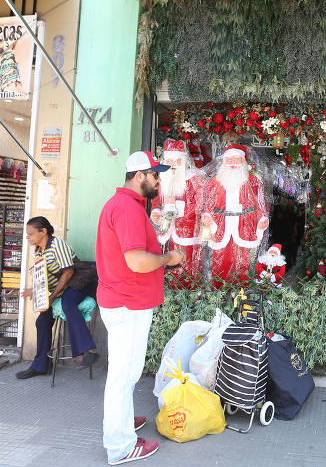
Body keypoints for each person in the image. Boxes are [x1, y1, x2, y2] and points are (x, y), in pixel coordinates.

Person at [96, 151, 185, 465]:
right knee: (123, 374)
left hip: (125, 301)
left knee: (128, 370)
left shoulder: (125, 206)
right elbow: (136, 261)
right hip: (128, 303)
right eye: (155, 175)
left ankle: (121, 419)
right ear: (139, 176)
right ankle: (120, 445)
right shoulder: (128, 209)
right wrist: (168, 259)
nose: (158, 180)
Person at [16, 216, 98, 379]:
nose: (28, 237)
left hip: (78, 282)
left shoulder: (57, 245)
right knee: (42, 321)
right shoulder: (38, 250)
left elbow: (68, 272)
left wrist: (51, 298)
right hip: (61, 287)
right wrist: (35, 290)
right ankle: (41, 366)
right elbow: (44, 276)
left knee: (68, 304)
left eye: (30, 234)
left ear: (43, 231)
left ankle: (90, 351)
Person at [200, 144, 269, 288]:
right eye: (229, 159)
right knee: (220, 262)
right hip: (220, 227)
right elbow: (208, 204)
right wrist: (207, 216)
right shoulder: (214, 182)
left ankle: (242, 295)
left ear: (243, 161)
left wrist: (262, 219)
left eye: (237, 159)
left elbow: (261, 204)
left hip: (245, 226)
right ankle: (219, 295)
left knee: (243, 263)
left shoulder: (254, 181)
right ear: (224, 161)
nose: (233, 163)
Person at [149, 139, 206, 285]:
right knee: (167, 265)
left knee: (188, 263)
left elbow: (199, 204)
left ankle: (190, 292)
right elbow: (156, 200)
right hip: (166, 230)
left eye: (177, 161)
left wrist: (177, 208)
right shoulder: (162, 178)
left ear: (184, 160)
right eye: (169, 161)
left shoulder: (196, 179)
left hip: (188, 230)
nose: (173, 165)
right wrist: (155, 211)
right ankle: (172, 292)